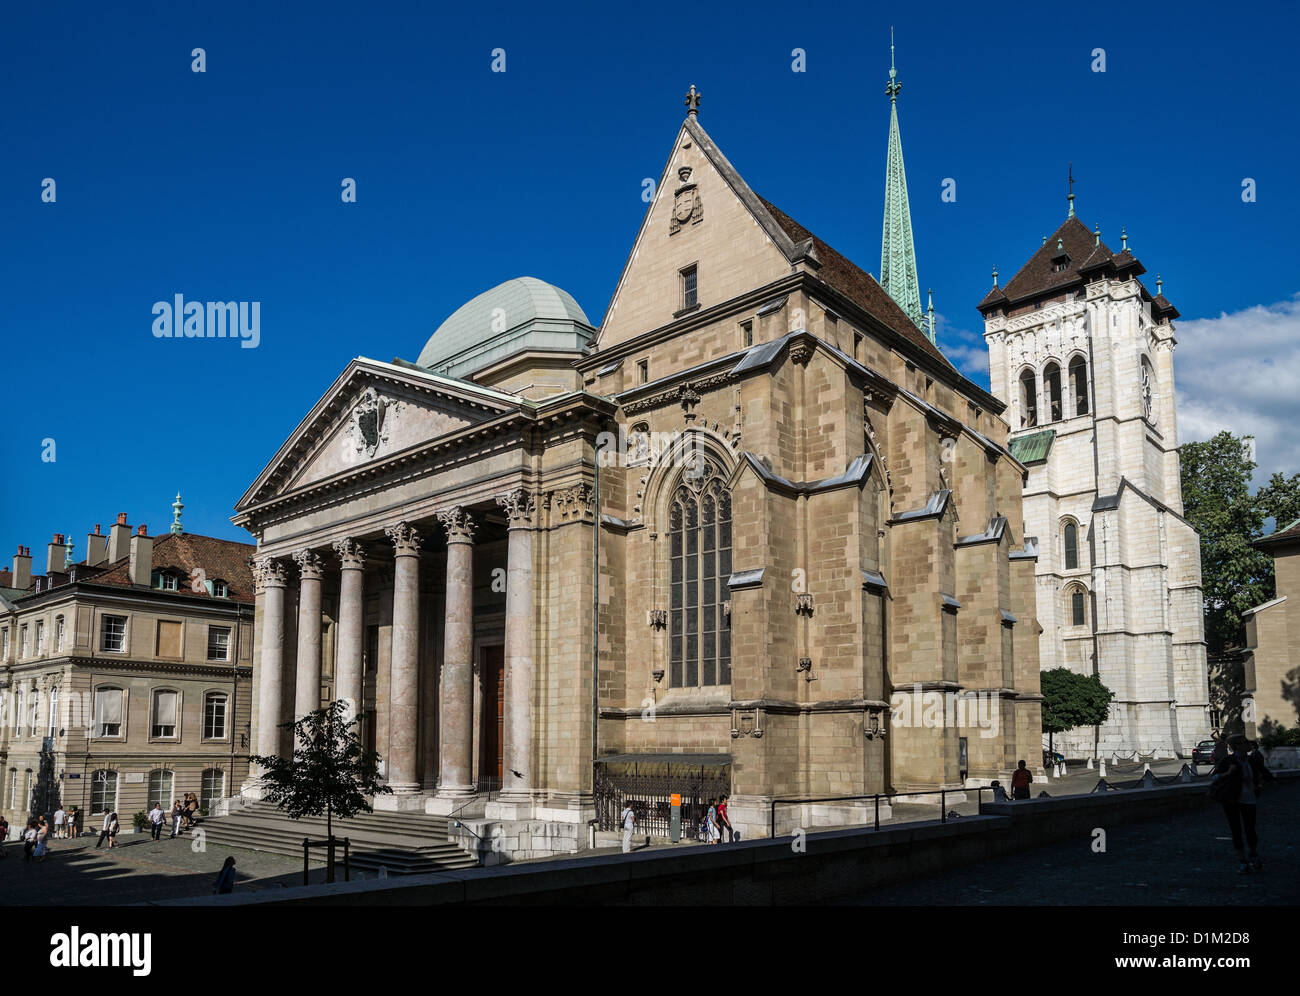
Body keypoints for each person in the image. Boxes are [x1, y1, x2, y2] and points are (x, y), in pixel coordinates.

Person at [1211, 734, 1275, 873]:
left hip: (1249, 798)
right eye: (1245, 742)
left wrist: (1259, 783)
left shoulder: (1252, 760)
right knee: (1236, 829)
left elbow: (1267, 776)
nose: (1248, 744)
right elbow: (1215, 777)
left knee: (1250, 828)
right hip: (1231, 800)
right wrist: (1228, 773)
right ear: (1238, 746)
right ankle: (1242, 861)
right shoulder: (1228, 761)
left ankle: (1253, 853)